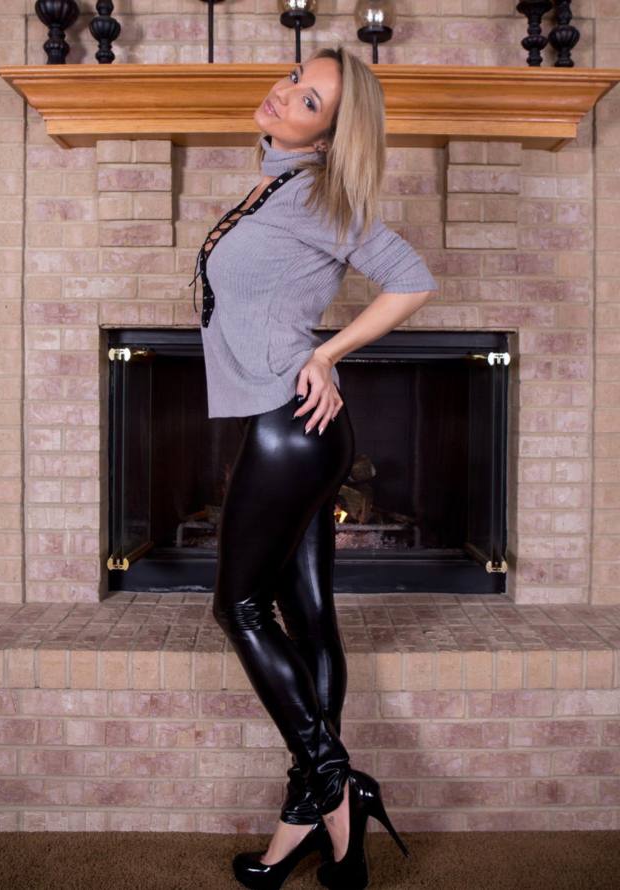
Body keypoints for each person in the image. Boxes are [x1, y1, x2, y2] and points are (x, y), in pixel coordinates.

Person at [192, 44, 438, 890]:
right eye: (296, 80)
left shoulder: (317, 195)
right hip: (294, 428)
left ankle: (333, 781)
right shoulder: (276, 185)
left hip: (289, 426)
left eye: (309, 100)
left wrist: (327, 353)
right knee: (306, 615)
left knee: (238, 606)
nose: (285, 92)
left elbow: (410, 279)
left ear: (331, 135)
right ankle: (322, 822)